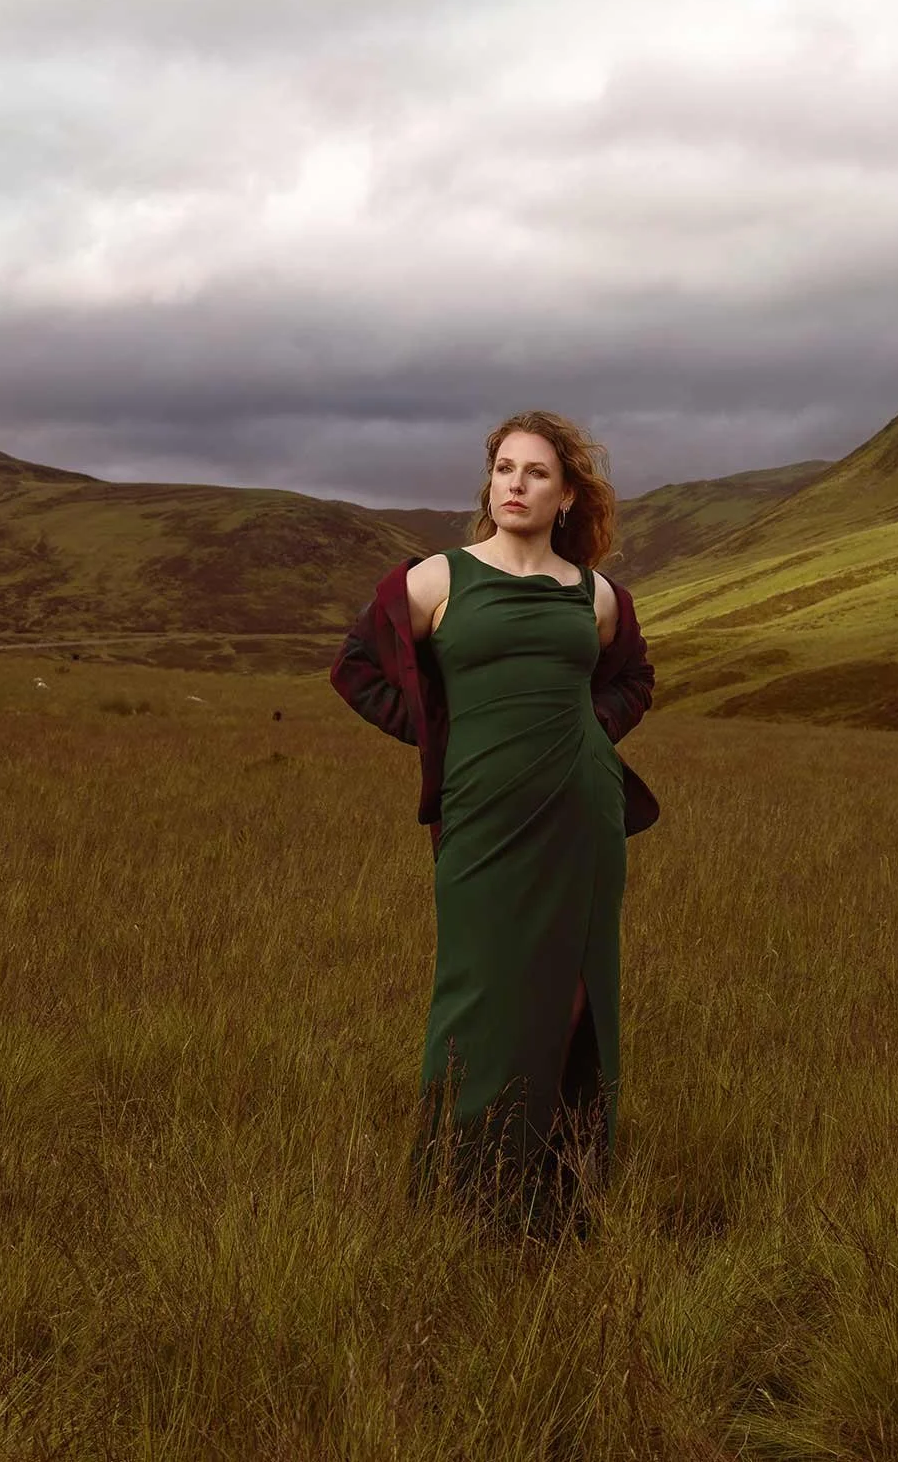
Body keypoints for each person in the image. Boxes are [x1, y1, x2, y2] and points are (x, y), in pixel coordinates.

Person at [329, 410, 659, 1240]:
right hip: (483, 815)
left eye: (536, 472)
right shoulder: (437, 580)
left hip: (581, 815)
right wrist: (444, 736)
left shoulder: (595, 595)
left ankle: (557, 1195)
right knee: (477, 996)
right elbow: (356, 668)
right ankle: (460, 1195)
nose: (515, 484)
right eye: (504, 468)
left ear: (566, 495)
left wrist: (590, 734)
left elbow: (632, 680)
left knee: (574, 997)